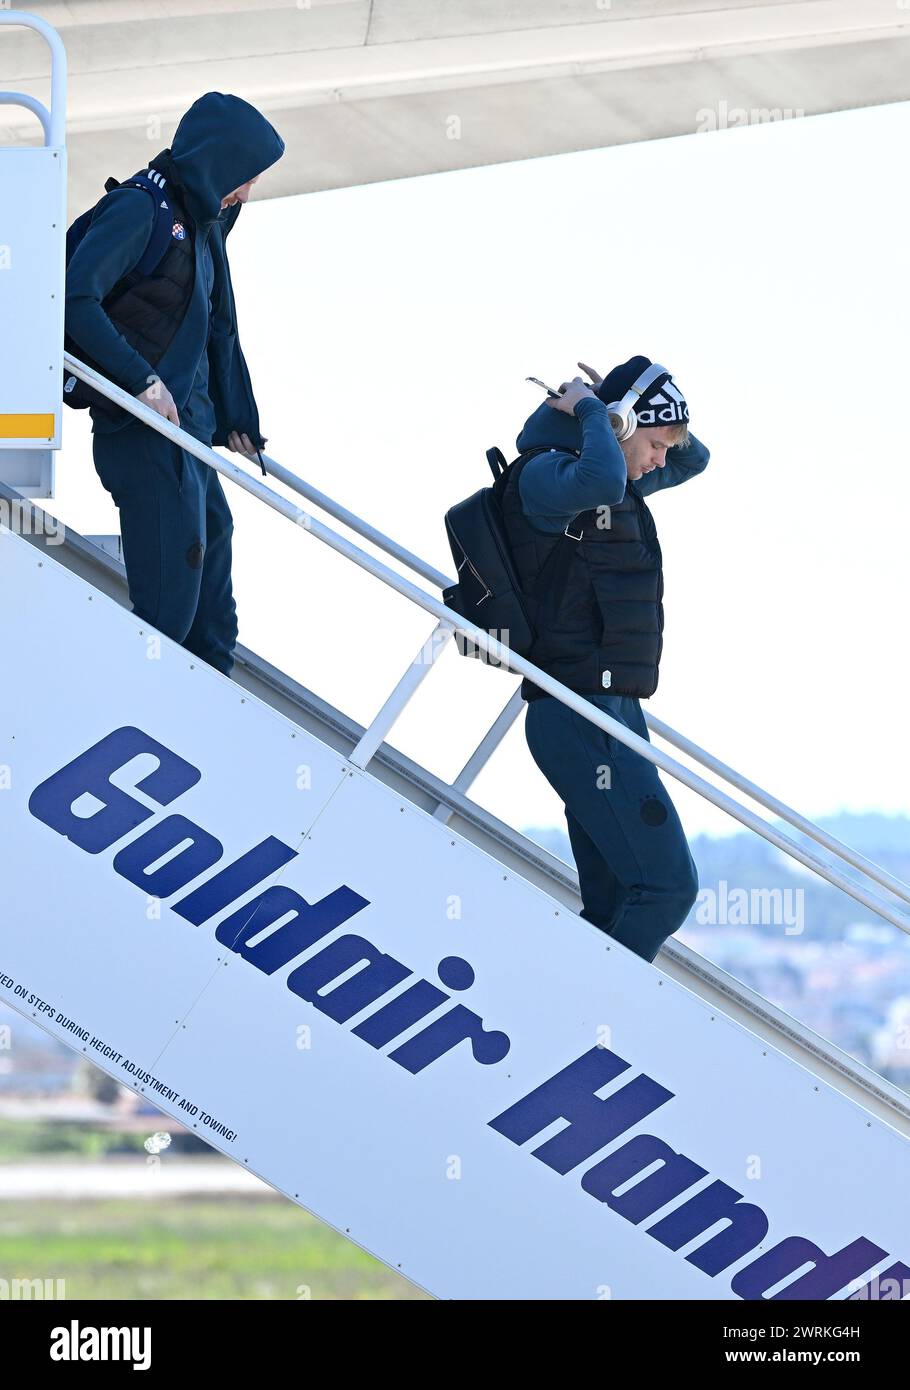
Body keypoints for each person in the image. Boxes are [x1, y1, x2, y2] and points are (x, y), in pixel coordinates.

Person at [64, 91, 285, 676]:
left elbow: (221, 329)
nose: (246, 192)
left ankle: (203, 731)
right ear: (218, 161)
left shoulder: (206, 228)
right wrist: (141, 382)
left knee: (213, 618)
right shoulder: (142, 209)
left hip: (192, 440)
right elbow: (74, 301)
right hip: (142, 435)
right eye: (244, 176)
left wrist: (239, 418)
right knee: (168, 612)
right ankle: (123, 717)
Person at [501, 356, 710, 963]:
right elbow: (594, 481)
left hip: (612, 709)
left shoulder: (613, 480)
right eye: (653, 444)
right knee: (668, 889)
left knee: (619, 901)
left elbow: (695, 460)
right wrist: (600, 413)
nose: (660, 461)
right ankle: (594, 1020)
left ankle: (575, 1031)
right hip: (576, 714)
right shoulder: (548, 478)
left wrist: (626, 415)